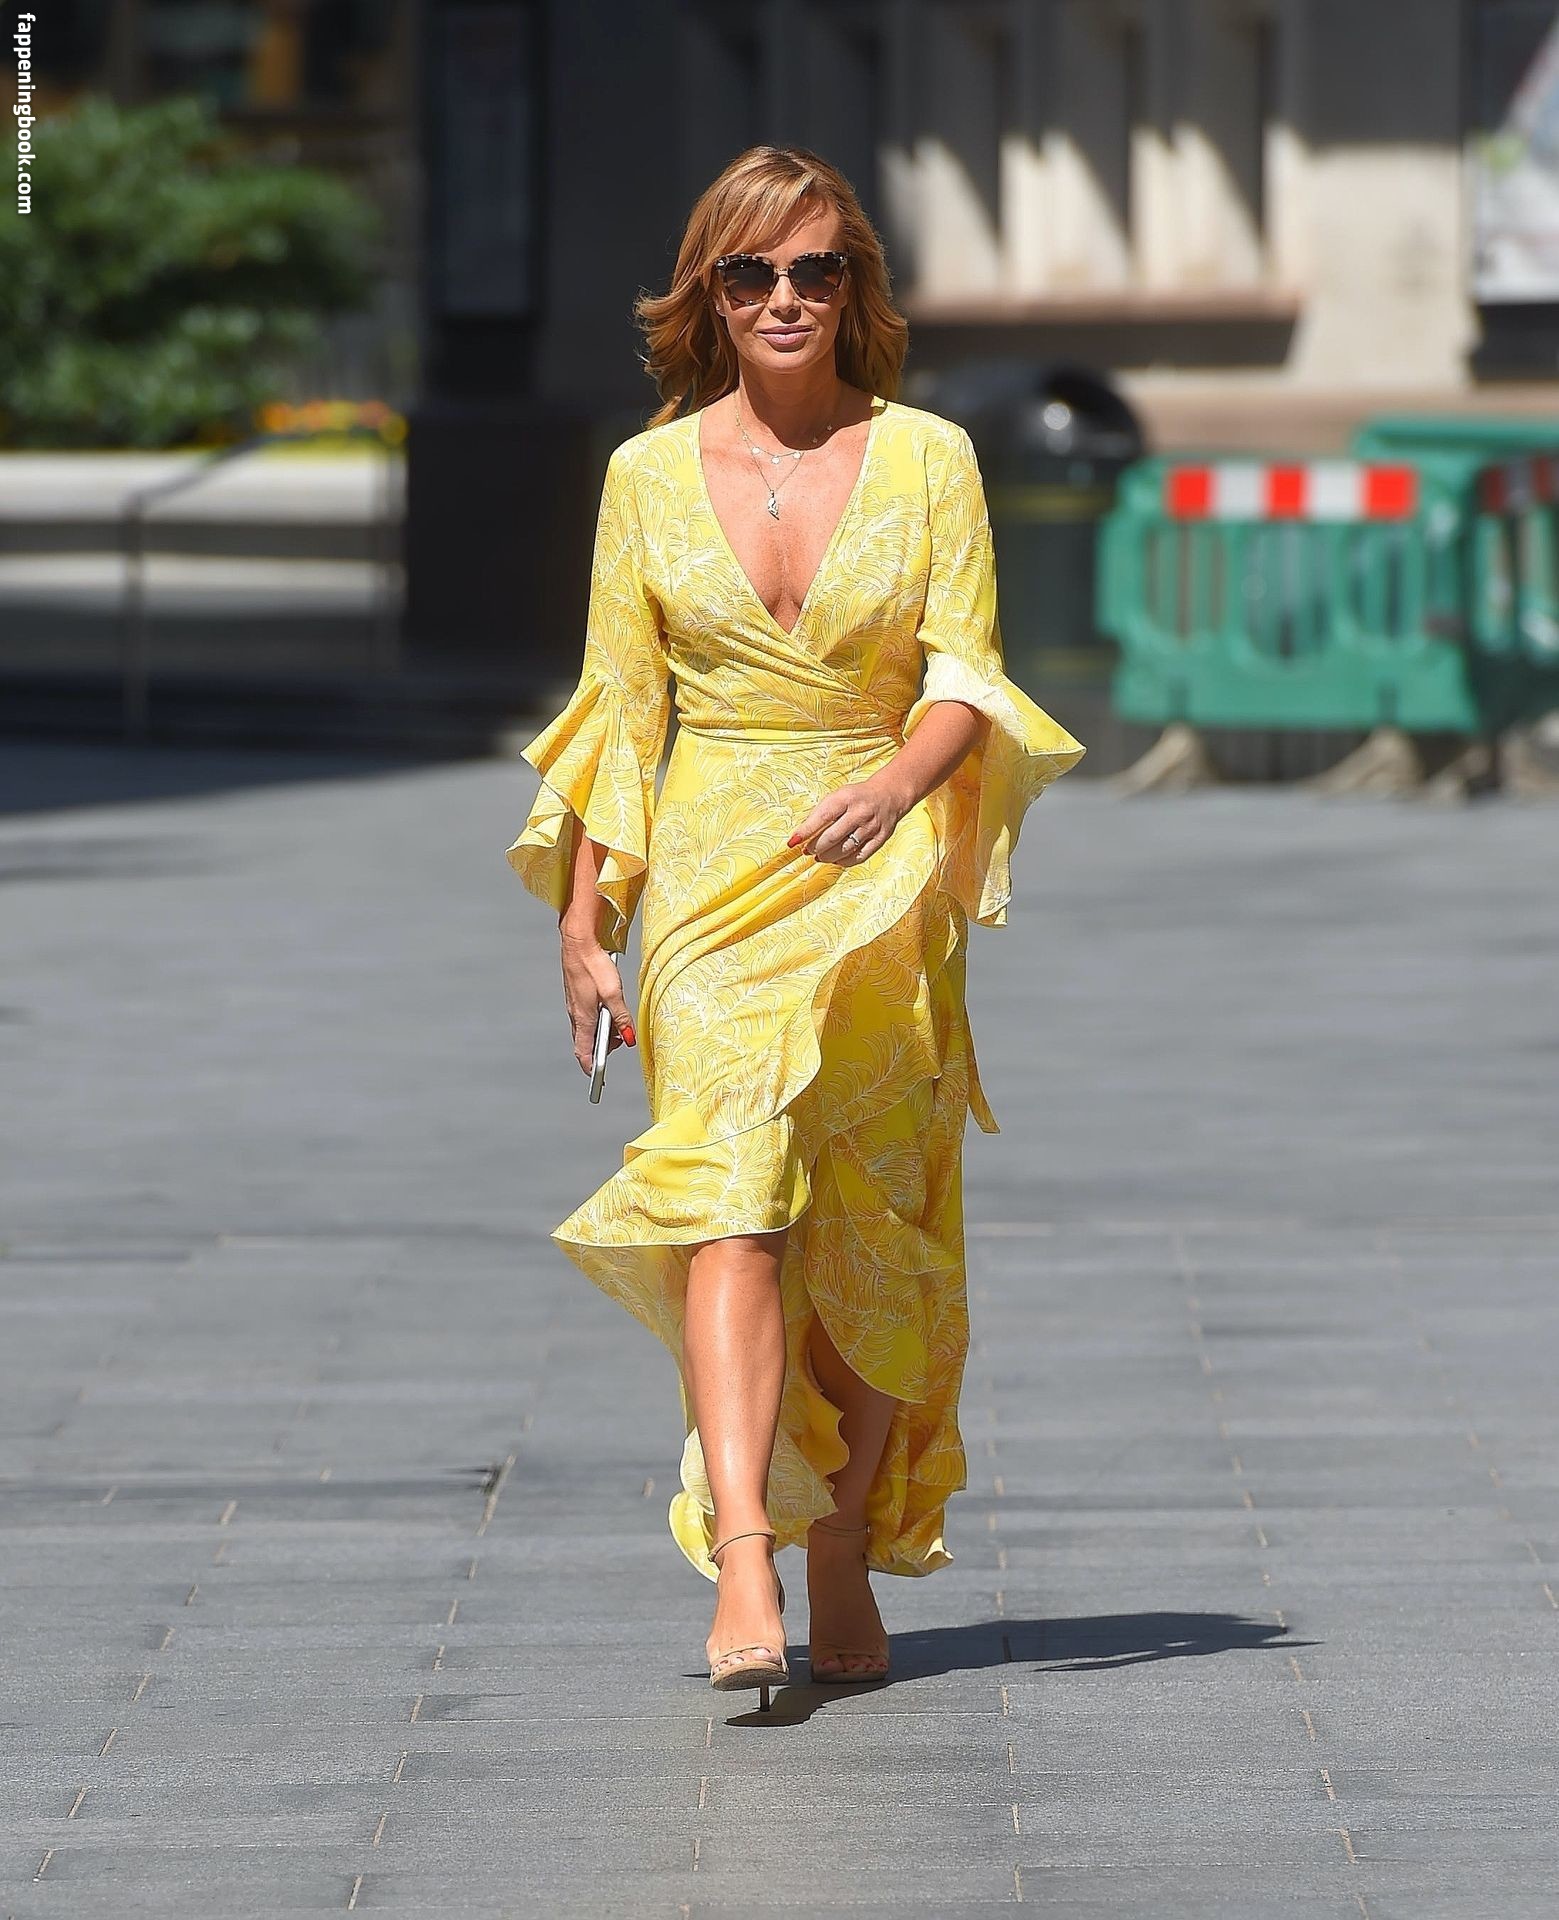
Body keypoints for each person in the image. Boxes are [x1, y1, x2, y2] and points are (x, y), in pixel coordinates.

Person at [507, 145, 1085, 1708]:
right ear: (707, 291)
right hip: (711, 880)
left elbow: (966, 674)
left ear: (853, 286)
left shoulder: (930, 458)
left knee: (870, 1233)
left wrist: (897, 788)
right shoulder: (643, 478)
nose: (784, 297)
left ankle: (840, 1546)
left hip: (877, 883)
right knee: (733, 1199)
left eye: (815, 268)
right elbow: (621, 716)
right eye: (751, 271)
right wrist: (586, 921)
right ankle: (749, 1551)